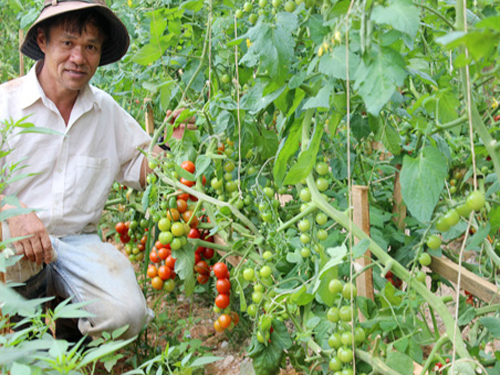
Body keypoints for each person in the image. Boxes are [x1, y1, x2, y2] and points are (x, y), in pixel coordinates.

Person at [0, 0, 166, 342]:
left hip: (77, 243)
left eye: (90, 47)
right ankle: (25, 339)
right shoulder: (7, 104)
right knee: (16, 249)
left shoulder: (105, 111)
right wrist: (10, 208)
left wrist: (173, 149)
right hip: (12, 239)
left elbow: (143, 168)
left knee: (127, 316)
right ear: (43, 42)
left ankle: (69, 336)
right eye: (68, 43)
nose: (79, 57)